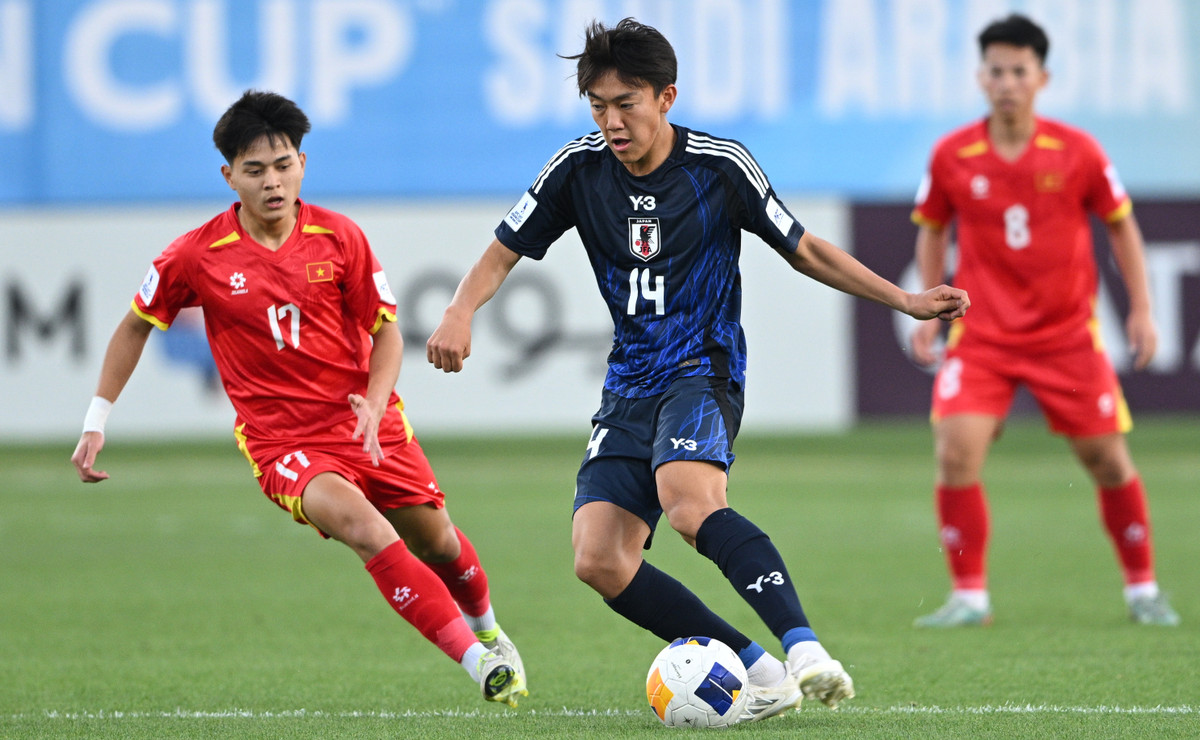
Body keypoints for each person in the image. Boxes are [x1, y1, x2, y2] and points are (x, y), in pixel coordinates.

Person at [426, 18, 968, 722]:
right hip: (629, 382)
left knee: (687, 502)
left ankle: (804, 648)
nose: (611, 122)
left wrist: (905, 300)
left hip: (702, 369)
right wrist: (459, 310)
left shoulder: (718, 166)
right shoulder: (577, 170)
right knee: (599, 559)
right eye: (598, 105)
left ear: (666, 97)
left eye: (626, 104)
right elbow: (503, 250)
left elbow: (804, 248)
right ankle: (762, 670)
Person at [70, 90, 530, 706]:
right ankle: (479, 663)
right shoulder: (196, 255)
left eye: (283, 165)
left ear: (303, 165)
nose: (272, 182)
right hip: (282, 442)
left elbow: (387, 333)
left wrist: (376, 401)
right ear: (229, 176)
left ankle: (490, 632)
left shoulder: (339, 238)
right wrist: (96, 419)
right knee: (366, 529)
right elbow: (135, 325)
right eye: (255, 170)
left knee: (438, 542)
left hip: (367, 423)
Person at [909, 14, 1179, 628]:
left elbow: (1121, 226)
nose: (1007, 82)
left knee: (1107, 461)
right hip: (983, 336)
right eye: (996, 71)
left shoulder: (1078, 150)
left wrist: (1141, 308)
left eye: (1018, 71)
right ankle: (969, 597)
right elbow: (932, 227)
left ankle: (1143, 588)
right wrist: (928, 306)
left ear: (1042, 78)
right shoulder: (952, 154)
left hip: (1067, 337)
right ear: (981, 77)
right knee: (955, 452)